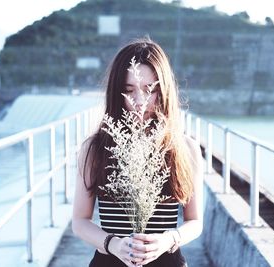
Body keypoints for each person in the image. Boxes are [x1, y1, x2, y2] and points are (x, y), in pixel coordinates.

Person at [72, 37, 204, 267]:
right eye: (128, 90)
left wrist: (167, 240)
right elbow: (80, 221)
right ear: (116, 93)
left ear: (163, 92)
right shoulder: (94, 149)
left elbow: (195, 221)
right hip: (110, 260)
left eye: (149, 90)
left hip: (167, 260)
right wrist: (113, 244)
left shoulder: (185, 148)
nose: (139, 101)